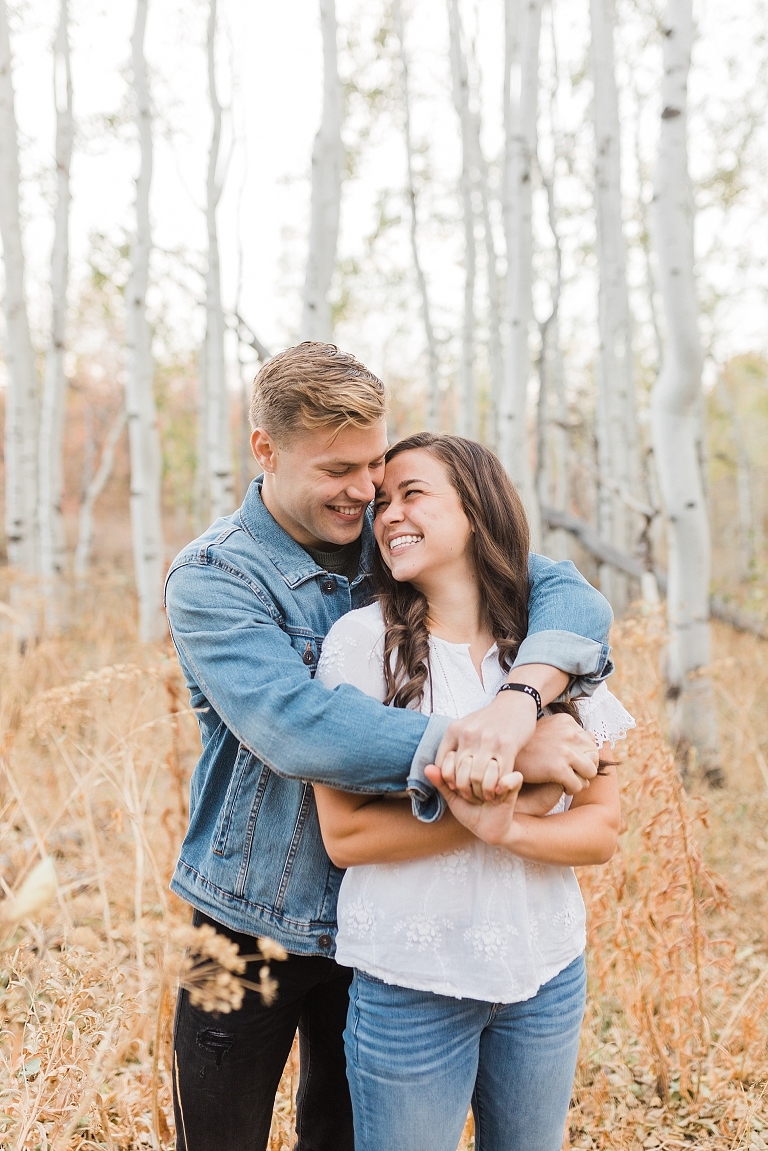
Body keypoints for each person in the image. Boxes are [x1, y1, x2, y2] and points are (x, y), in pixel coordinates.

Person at [164, 342, 615, 1151]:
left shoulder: (398, 538)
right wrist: (498, 755)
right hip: (240, 914)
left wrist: (517, 702)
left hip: (373, 912)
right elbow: (296, 726)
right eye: (339, 468)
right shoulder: (212, 577)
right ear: (264, 447)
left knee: (339, 1134)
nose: (366, 490)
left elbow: (565, 591)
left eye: (376, 463)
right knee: (215, 1134)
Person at [313, 432, 634, 1151]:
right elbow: (347, 837)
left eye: (412, 493)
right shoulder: (359, 646)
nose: (387, 512)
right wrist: (511, 796)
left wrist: (506, 829)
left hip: (545, 975)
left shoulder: (551, 654)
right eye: (381, 502)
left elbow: (603, 829)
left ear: (477, 508)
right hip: (409, 983)